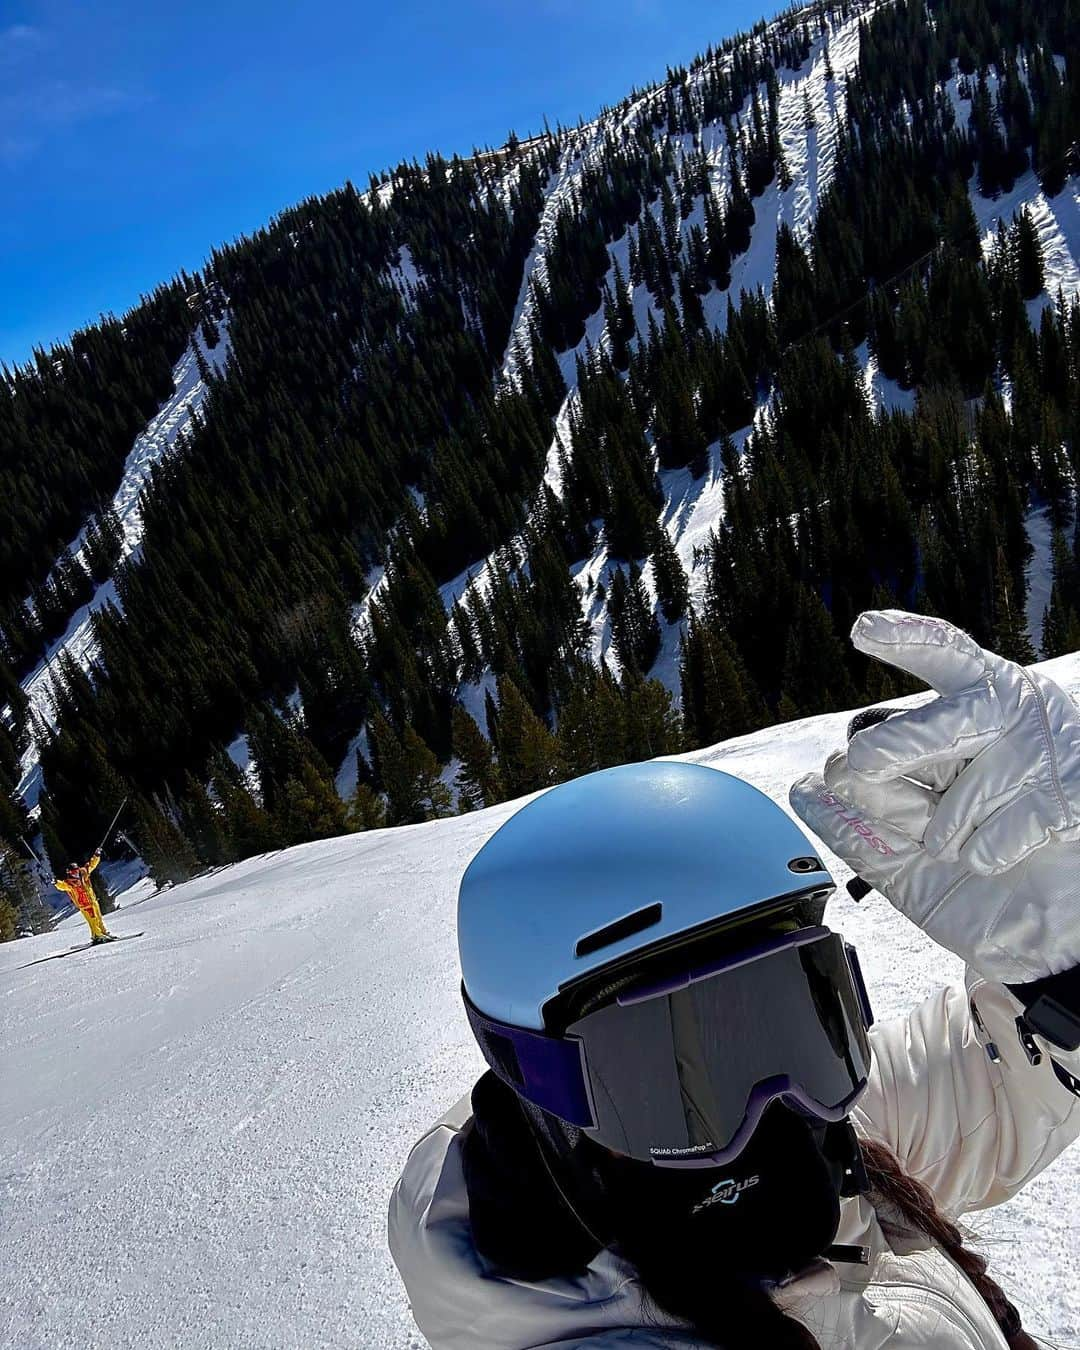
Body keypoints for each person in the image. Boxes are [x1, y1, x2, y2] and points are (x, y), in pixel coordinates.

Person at [388, 611, 1080, 1349]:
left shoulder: (834, 1146)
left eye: (791, 1021)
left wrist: (1065, 967)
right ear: (548, 1095)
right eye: (672, 1074)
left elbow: (1004, 1079)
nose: (769, 1109)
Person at [54, 852, 115, 944]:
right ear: (69, 873)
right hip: (84, 905)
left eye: (77, 871)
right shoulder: (69, 883)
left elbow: (91, 865)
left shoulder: (83, 873)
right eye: (73, 872)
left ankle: (103, 932)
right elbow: (62, 886)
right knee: (93, 920)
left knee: (98, 918)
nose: (76, 874)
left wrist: (97, 855)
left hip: (93, 901)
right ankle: (97, 935)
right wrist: (56, 882)